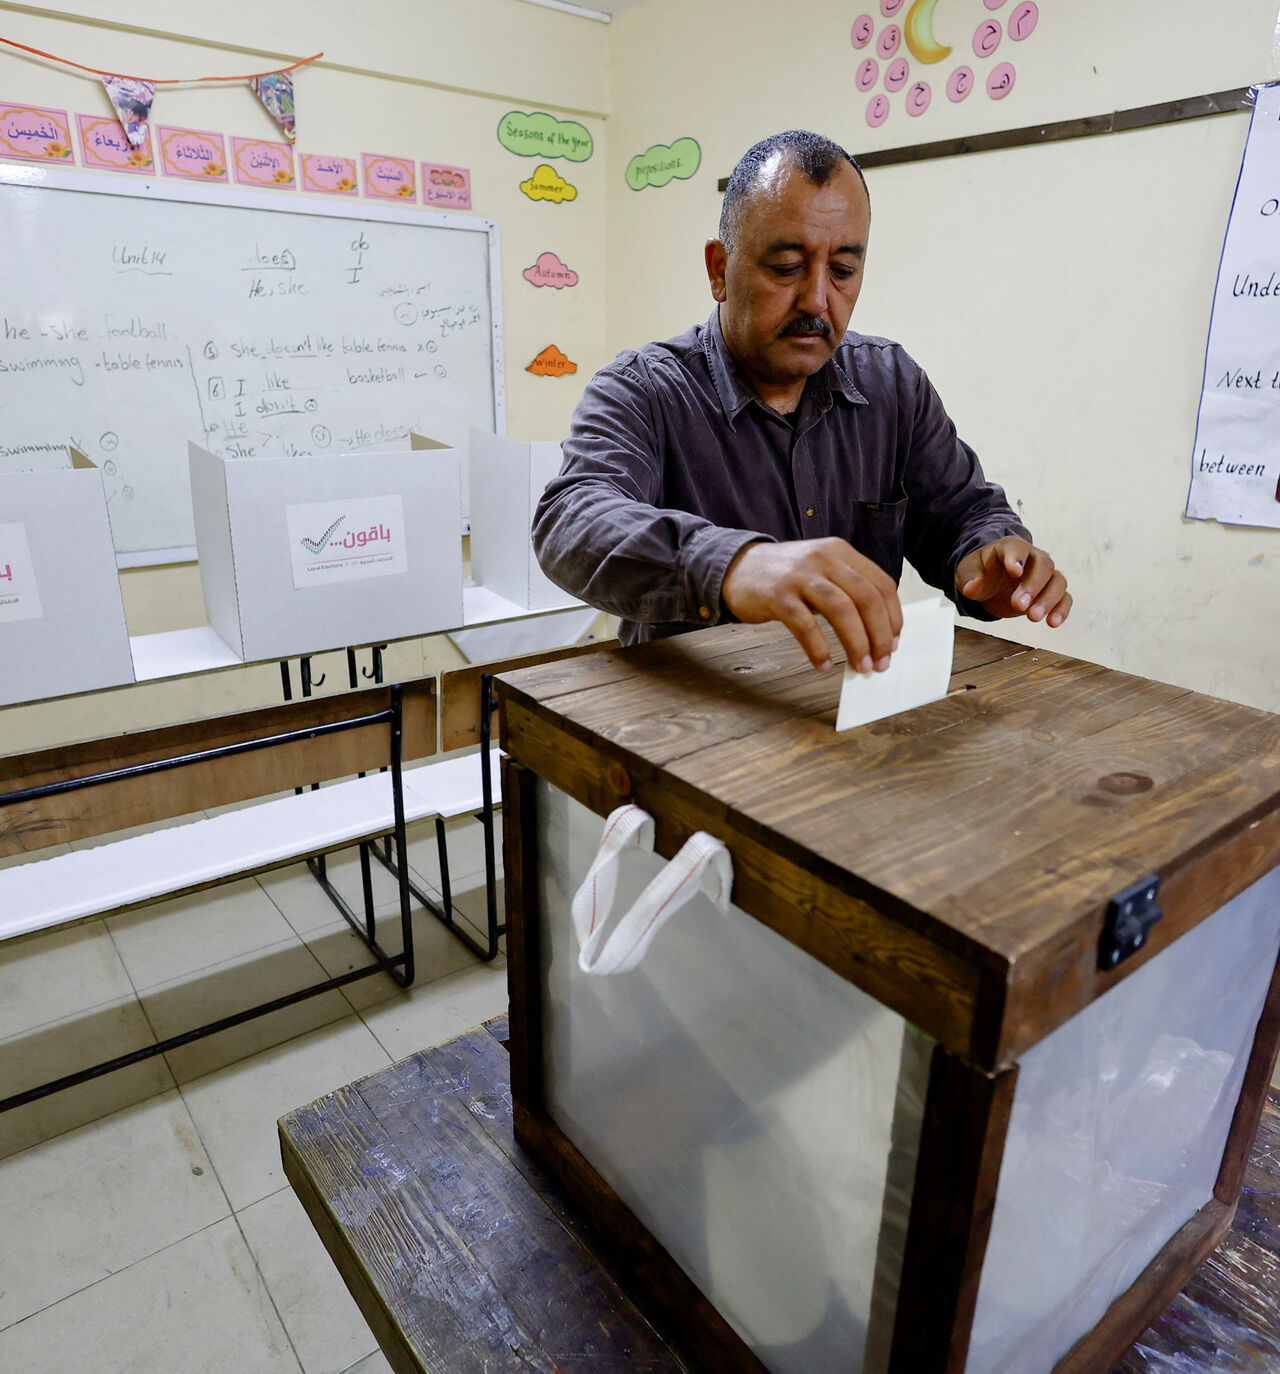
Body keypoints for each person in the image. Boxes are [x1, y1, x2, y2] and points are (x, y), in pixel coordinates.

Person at [532, 129, 1071, 674]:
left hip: (851, 713)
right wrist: (737, 566)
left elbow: (964, 513)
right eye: (787, 267)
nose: (817, 299)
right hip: (696, 732)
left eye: (842, 270)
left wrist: (992, 559)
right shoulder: (644, 391)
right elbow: (570, 522)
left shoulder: (891, 384)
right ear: (719, 270)